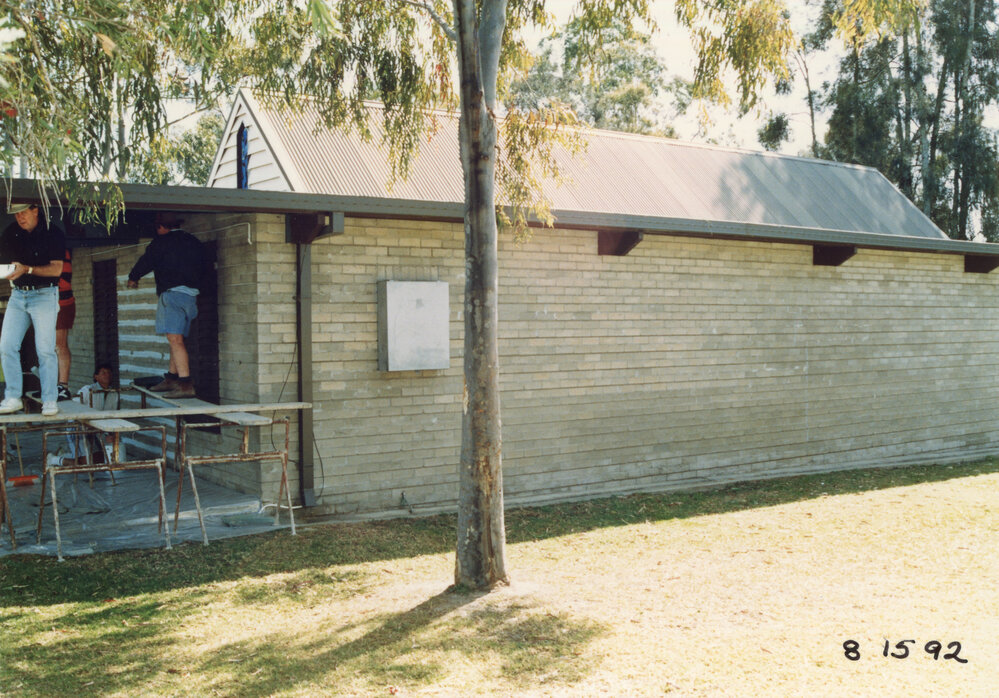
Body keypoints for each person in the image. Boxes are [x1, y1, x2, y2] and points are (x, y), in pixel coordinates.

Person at [127, 212, 206, 399]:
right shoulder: (193, 241)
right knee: (176, 338)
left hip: (172, 295)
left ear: (161, 227)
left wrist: (133, 278)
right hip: (191, 297)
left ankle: (185, 384)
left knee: (175, 340)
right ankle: (172, 378)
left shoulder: (161, 242)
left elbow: (146, 261)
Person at [0, 203, 65, 416]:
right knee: (7, 345)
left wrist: (27, 269)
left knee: (45, 349)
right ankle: (12, 397)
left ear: (35, 210)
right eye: (16, 213)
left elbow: (57, 269)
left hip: (45, 294)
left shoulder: (52, 232)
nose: (19, 217)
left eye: (23, 212)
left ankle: (49, 401)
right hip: (18, 295)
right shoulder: (11, 232)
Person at [55, 248, 75, 401]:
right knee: (49, 346)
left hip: (61, 302)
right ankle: (52, 385)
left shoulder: (60, 249)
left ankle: (63, 386)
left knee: (60, 344)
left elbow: (63, 282)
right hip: (46, 302)